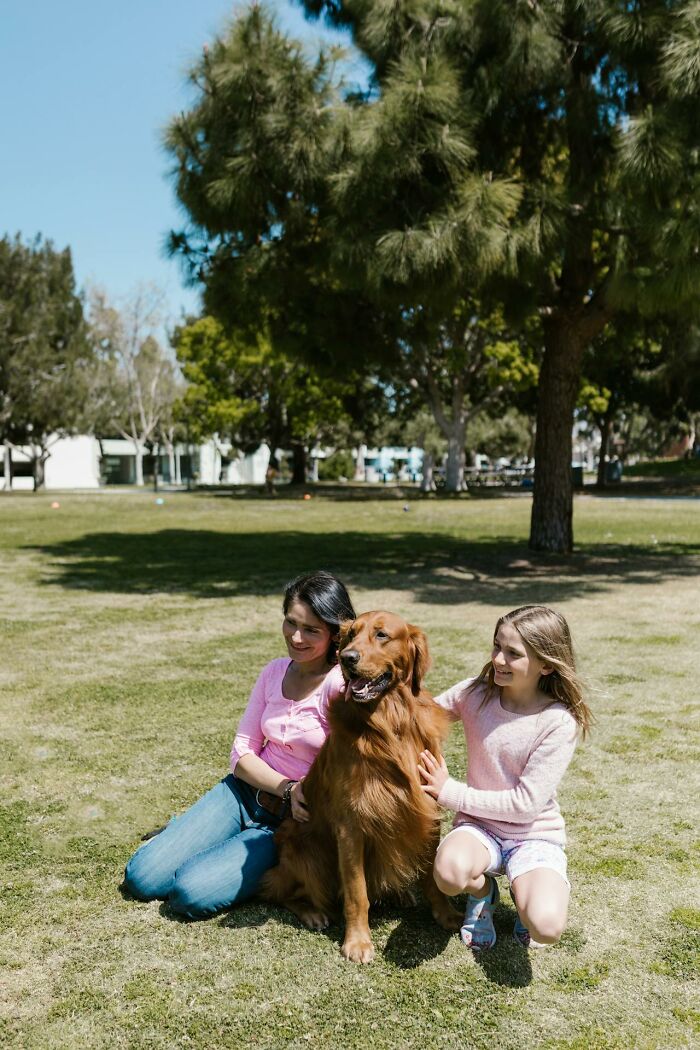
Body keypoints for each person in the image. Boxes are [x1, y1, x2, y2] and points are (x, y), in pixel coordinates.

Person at [122, 570, 355, 919]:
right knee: (142, 878)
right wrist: (287, 787)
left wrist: (296, 799)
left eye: (311, 630)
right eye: (290, 623)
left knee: (189, 894)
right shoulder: (274, 671)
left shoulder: (341, 687)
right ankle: (184, 832)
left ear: (336, 634)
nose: (296, 637)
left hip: (286, 827)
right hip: (240, 793)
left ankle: (201, 845)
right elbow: (242, 752)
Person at [418, 605, 592, 950]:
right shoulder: (476, 693)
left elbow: (525, 806)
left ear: (545, 664)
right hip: (479, 829)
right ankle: (484, 892)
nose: (498, 659)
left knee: (545, 927)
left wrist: (449, 791)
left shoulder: (558, 722)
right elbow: (421, 716)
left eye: (513, 653)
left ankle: (531, 887)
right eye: (497, 646)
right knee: (449, 875)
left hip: (532, 836)